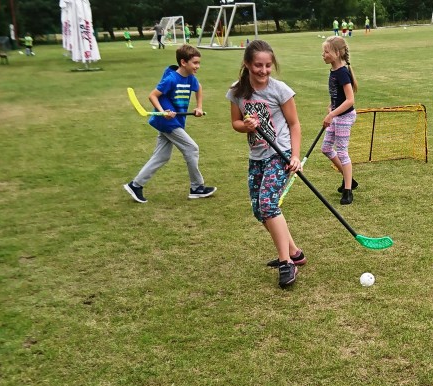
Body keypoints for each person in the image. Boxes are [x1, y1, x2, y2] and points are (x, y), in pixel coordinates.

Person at [227, 40, 305, 289]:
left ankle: (286, 263)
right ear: (247, 64)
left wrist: (294, 156)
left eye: (268, 65)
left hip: (279, 154)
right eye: (258, 65)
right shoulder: (237, 91)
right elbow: (235, 123)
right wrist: (246, 126)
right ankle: (294, 253)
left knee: (268, 204)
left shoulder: (280, 90)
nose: (263, 70)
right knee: (259, 210)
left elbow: (294, 124)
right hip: (257, 157)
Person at [124, 44, 216, 205]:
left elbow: (198, 88)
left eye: (198, 63)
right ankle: (197, 187)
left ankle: (135, 185)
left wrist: (199, 107)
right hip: (167, 122)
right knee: (192, 148)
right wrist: (162, 111)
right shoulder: (171, 79)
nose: (198, 66)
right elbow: (152, 96)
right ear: (183, 62)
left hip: (175, 121)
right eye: (195, 63)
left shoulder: (190, 79)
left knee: (162, 156)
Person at [321, 36, 358, 205]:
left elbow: (350, 100)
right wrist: (331, 106)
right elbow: (338, 96)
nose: (323, 54)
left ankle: (348, 191)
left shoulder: (343, 72)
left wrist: (331, 114)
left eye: (326, 51)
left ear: (337, 53)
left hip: (345, 116)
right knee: (326, 148)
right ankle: (348, 177)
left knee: (342, 151)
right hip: (337, 115)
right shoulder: (334, 71)